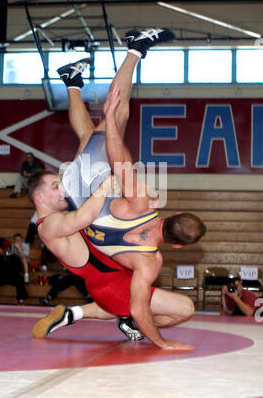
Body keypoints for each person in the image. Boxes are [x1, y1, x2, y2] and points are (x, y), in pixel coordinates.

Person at [29, 28, 200, 349]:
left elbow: (119, 159)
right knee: (87, 137)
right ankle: (72, 82)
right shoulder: (148, 261)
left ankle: (136, 48)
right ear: (176, 247)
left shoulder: (141, 206)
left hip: (89, 198)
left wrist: (111, 124)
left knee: (116, 119)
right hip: (84, 203)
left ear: (174, 212)